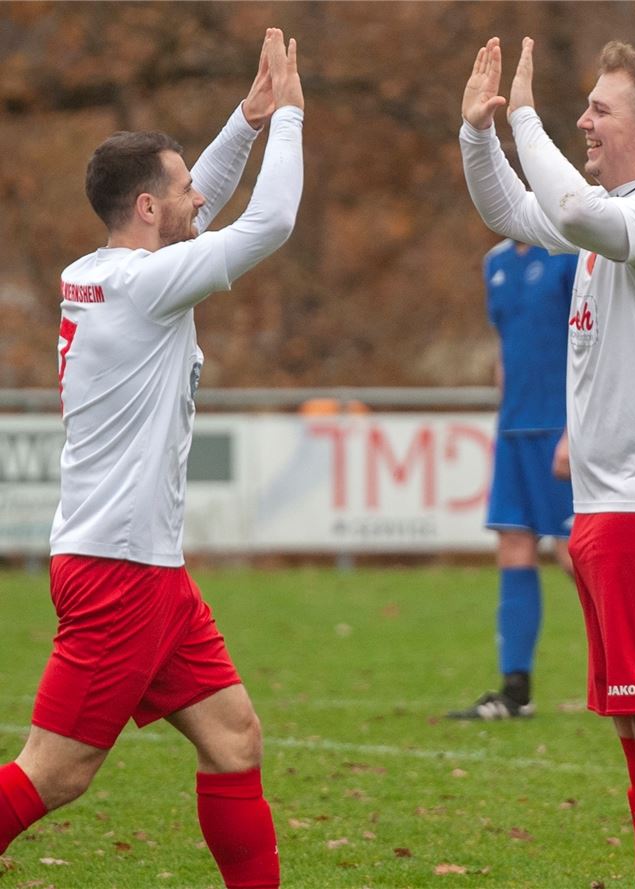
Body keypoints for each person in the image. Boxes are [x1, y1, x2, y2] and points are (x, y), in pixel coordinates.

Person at [0, 29, 304, 889]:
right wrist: (291, 119)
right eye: (179, 192)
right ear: (145, 208)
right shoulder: (146, 285)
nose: (195, 199)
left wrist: (245, 121)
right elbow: (272, 220)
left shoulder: (97, 269)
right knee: (54, 772)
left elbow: (192, 198)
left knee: (235, 738)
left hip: (145, 566)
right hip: (117, 569)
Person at [460, 36, 635, 889]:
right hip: (617, 505)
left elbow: (573, 212)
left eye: (599, 109)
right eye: (580, 108)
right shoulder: (620, 211)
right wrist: (480, 133)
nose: (584, 121)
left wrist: (531, 117)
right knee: (634, 723)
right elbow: (515, 213)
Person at [448, 239, 577, 720]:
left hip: (561, 428)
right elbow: (506, 343)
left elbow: (595, 341)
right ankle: (515, 692)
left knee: (575, 552)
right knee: (514, 546)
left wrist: (577, 429)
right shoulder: (496, 263)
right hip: (514, 428)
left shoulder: (569, 253)